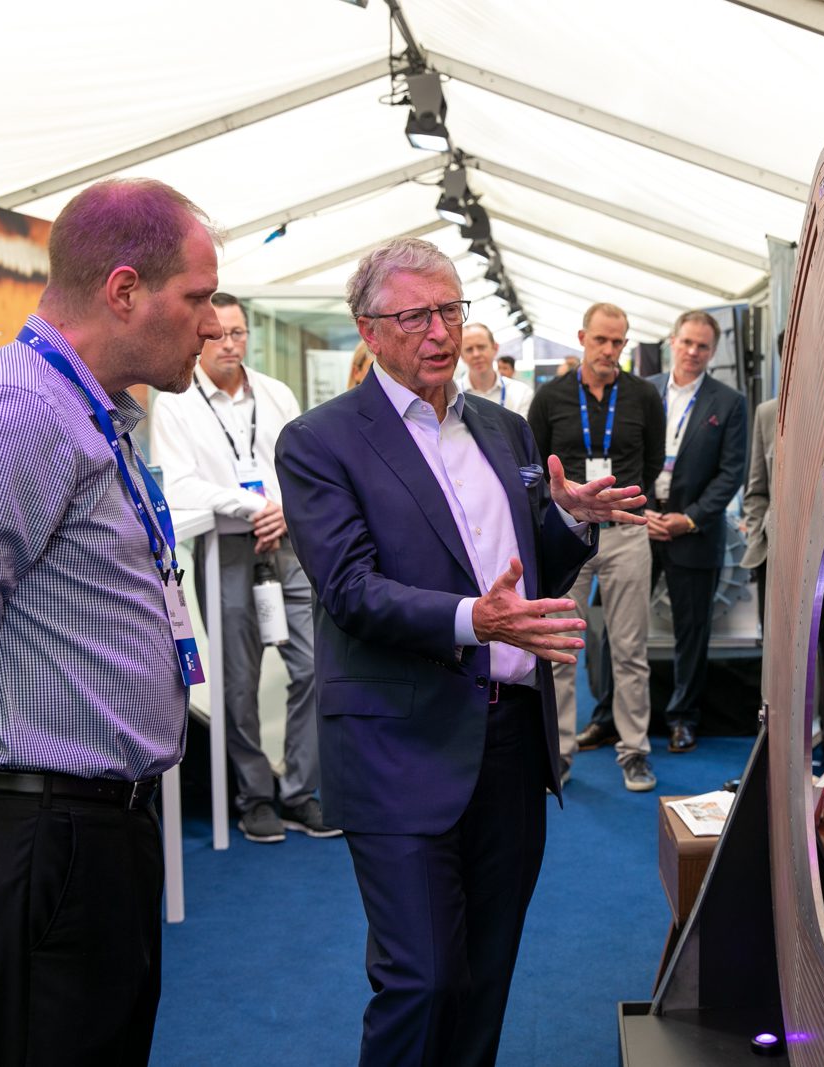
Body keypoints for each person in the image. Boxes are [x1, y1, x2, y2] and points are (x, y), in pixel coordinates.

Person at [0, 178, 221, 1065]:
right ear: (125, 289)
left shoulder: (84, 410)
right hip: (39, 845)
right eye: (200, 299)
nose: (213, 325)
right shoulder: (22, 410)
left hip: (83, 838)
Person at [274, 238, 644, 1067]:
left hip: (511, 743)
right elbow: (349, 588)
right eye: (416, 316)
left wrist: (570, 519)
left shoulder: (505, 429)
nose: (440, 332)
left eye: (451, 310)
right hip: (398, 744)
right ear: (370, 330)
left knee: (485, 977)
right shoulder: (320, 442)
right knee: (424, 978)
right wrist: (474, 620)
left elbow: (522, 572)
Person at [150, 293, 333, 843]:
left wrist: (285, 511)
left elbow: (306, 469)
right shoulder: (176, 404)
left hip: (290, 545)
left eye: (238, 333)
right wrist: (253, 506)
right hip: (225, 550)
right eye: (218, 334)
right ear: (201, 336)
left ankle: (299, 790)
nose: (229, 344)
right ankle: (255, 794)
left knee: (315, 669)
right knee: (237, 683)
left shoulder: (276, 394)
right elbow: (179, 484)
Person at [579, 311, 747, 754]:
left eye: (703, 346)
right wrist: (644, 510)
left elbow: (731, 474)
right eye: (687, 342)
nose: (693, 352)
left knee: (692, 632)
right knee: (618, 628)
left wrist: (688, 518)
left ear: (713, 352)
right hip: (637, 526)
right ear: (672, 341)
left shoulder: (728, 403)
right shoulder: (639, 391)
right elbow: (620, 455)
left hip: (694, 533)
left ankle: (682, 718)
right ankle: (607, 719)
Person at [528, 303, 664, 790]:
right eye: (601, 341)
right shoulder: (551, 397)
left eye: (618, 342)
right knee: (561, 647)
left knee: (630, 649)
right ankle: (559, 753)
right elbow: (533, 467)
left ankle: (633, 751)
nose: (609, 350)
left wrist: (624, 505)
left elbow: (651, 461)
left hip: (626, 534)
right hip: (567, 536)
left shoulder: (644, 395)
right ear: (582, 338)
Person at [741, 394, 779, 632]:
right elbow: (757, 490)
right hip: (774, 548)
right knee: (774, 635)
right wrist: (757, 536)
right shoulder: (767, 413)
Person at [461, 323, 534, 417]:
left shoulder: (521, 393)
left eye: (481, 347)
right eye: (469, 349)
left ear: (495, 348)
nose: (476, 354)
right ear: (460, 355)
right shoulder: (451, 396)